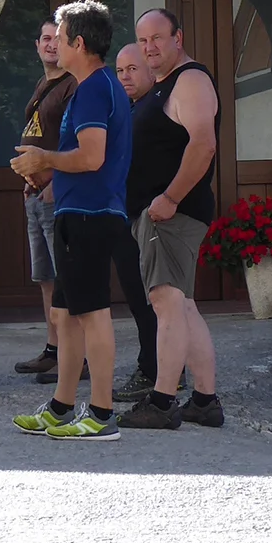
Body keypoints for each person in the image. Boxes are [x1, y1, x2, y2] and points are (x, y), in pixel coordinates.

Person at [9, 1, 132, 441]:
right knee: (65, 314)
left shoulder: (95, 88)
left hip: (90, 214)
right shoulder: (90, 87)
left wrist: (44, 159)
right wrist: (45, 171)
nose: (54, 45)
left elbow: (92, 157)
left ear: (79, 43)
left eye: (60, 38)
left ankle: (101, 413)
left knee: (92, 314)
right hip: (77, 211)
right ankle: (61, 407)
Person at [118, 8, 223, 431]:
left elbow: (203, 145)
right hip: (160, 213)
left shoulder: (190, 80)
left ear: (178, 38)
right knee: (183, 305)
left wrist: (169, 198)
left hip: (171, 213)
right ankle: (204, 400)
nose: (149, 48)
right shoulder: (163, 85)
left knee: (166, 303)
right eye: (143, 40)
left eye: (157, 38)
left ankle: (162, 402)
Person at [11, 20, 76, 383]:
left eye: (57, 39)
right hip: (35, 194)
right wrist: (30, 180)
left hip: (57, 194)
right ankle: (54, 349)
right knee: (46, 277)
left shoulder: (73, 85)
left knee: (66, 277)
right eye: (46, 39)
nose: (51, 45)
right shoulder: (43, 84)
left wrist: (56, 180)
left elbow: (76, 142)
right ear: (37, 45)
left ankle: (75, 357)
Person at [110, 44, 164, 400]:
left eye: (132, 69)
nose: (125, 77)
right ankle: (156, 367)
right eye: (120, 71)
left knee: (152, 301)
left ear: (150, 71)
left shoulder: (156, 108)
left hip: (149, 216)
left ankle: (156, 372)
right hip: (125, 215)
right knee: (136, 297)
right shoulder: (131, 109)